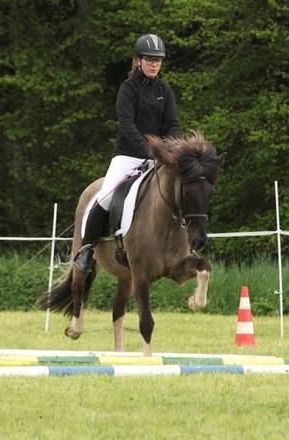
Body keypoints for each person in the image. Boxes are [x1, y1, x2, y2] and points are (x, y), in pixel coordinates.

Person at [74, 33, 182, 272]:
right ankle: (86, 249)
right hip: (127, 155)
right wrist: (148, 150)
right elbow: (127, 125)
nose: (154, 64)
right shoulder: (128, 88)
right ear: (138, 60)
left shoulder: (165, 89)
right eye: (150, 59)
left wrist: (170, 148)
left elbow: (172, 123)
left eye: (158, 60)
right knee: (105, 197)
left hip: (158, 157)